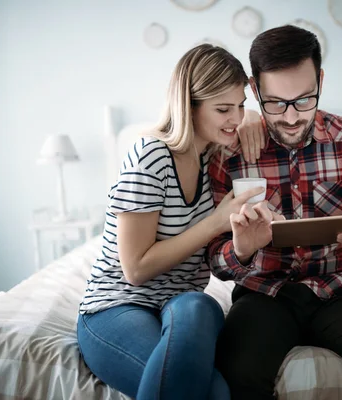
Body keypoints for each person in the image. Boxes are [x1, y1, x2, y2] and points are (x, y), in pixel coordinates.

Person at [206, 25, 342, 400]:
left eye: (304, 99)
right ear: (254, 88)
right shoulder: (227, 154)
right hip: (263, 294)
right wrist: (241, 249)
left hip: (341, 289)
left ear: (321, 80)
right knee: (233, 373)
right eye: (276, 102)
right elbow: (214, 257)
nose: (291, 118)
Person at [76, 44, 264, 400]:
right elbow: (135, 269)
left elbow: (291, 124)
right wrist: (214, 222)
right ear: (188, 106)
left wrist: (255, 117)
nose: (236, 119)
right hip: (118, 305)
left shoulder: (216, 156)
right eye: (223, 109)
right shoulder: (150, 155)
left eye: (240, 106)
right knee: (215, 393)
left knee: (200, 304)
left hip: (182, 303)